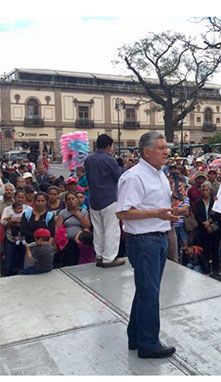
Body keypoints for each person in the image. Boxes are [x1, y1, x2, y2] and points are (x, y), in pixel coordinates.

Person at [116, 131, 183, 359]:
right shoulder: (134, 177)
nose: (167, 152)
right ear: (147, 152)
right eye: (162, 148)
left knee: (146, 291)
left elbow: (158, 207)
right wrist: (157, 213)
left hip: (159, 237)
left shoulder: (160, 174)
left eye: (166, 148)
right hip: (144, 241)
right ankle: (149, 344)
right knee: (149, 294)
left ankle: (136, 336)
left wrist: (173, 211)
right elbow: (123, 212)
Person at [84, 134, 125, 268]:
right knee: (111, 229)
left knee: (98, 229)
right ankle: (109, 258)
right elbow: (118, 177)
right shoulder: (110, 160)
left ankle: (100, 256)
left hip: (94, 199)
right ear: (108, 146)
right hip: (109, 199)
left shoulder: (88, 160)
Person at [56, 192, 91, 267]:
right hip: (67, 242)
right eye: (68, 199)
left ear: (77, 200)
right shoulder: (63, 213)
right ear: (66, 201)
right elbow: (58, 228)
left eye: (73, 198)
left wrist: (79, 216)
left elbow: (87, 226)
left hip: (80, 241)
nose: (71, 201)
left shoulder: (84, 212)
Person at [1, 190, 30, 276]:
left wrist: (20, 221)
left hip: (24, 238)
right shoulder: (7, 209)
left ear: (25, 198)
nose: (20, 199)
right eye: (18, 197)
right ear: (14, 197)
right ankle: (7, 275)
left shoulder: (28, 209)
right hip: (10, 239)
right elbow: (2, 221)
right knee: (8, 260)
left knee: (22, 260)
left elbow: (31, 222)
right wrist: (12, 222)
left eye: (22, 197)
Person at [193, 182, 220, 274]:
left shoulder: (215, 201)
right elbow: (196, 215)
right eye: (203, 190)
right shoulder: (198, 202)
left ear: (210, 191)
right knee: (205, 248)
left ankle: (216, 268)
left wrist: (210, 221)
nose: (205, 192)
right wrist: (204, 223)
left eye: (207, 190)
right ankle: (206, 268)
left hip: (214, 227)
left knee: (215, 248)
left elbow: (217, 214)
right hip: (202, 228)